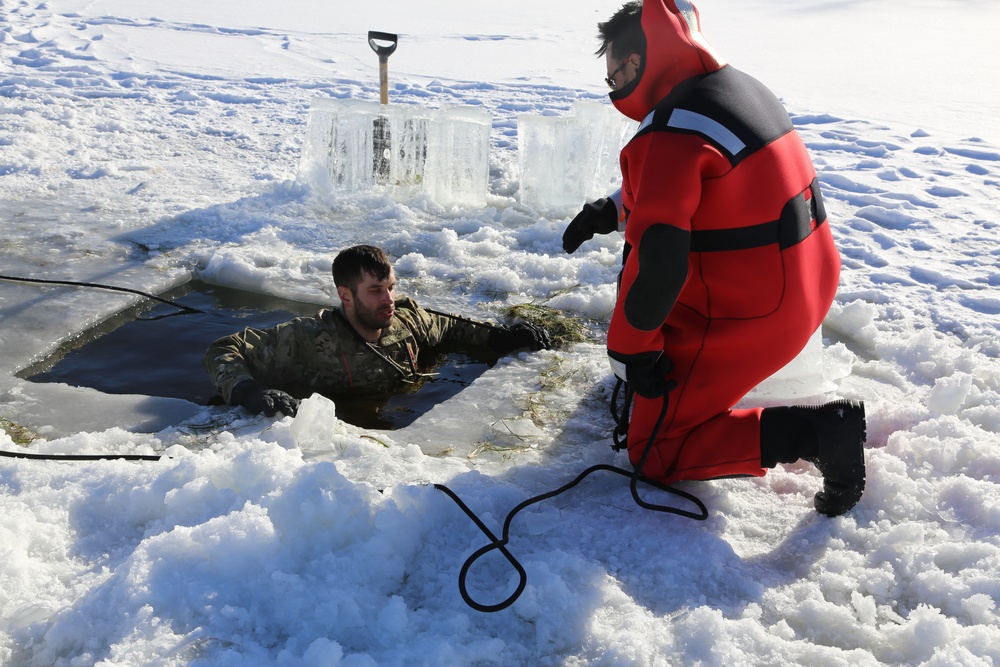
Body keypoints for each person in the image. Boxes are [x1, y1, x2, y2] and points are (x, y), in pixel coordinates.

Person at [563, 0, 866, 517]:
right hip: (807, 282)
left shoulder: (669, 130)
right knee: (653, 387)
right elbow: (694, 187)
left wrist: (630, 353)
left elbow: (659, 258)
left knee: (655, 450)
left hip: (752, 314)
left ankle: (814, 433)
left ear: (638, 64)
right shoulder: (734, 88)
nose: (613, 86)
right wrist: (605, 211)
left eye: (615, 73)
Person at [204, 245, 550, 419]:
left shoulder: (406, 321)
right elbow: (224, 349)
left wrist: (500, 337)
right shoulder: (308, 339)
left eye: (391, 287)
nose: (389, 300)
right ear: (346, 296)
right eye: (375, 291)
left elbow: (450, 328)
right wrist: (248, 391)